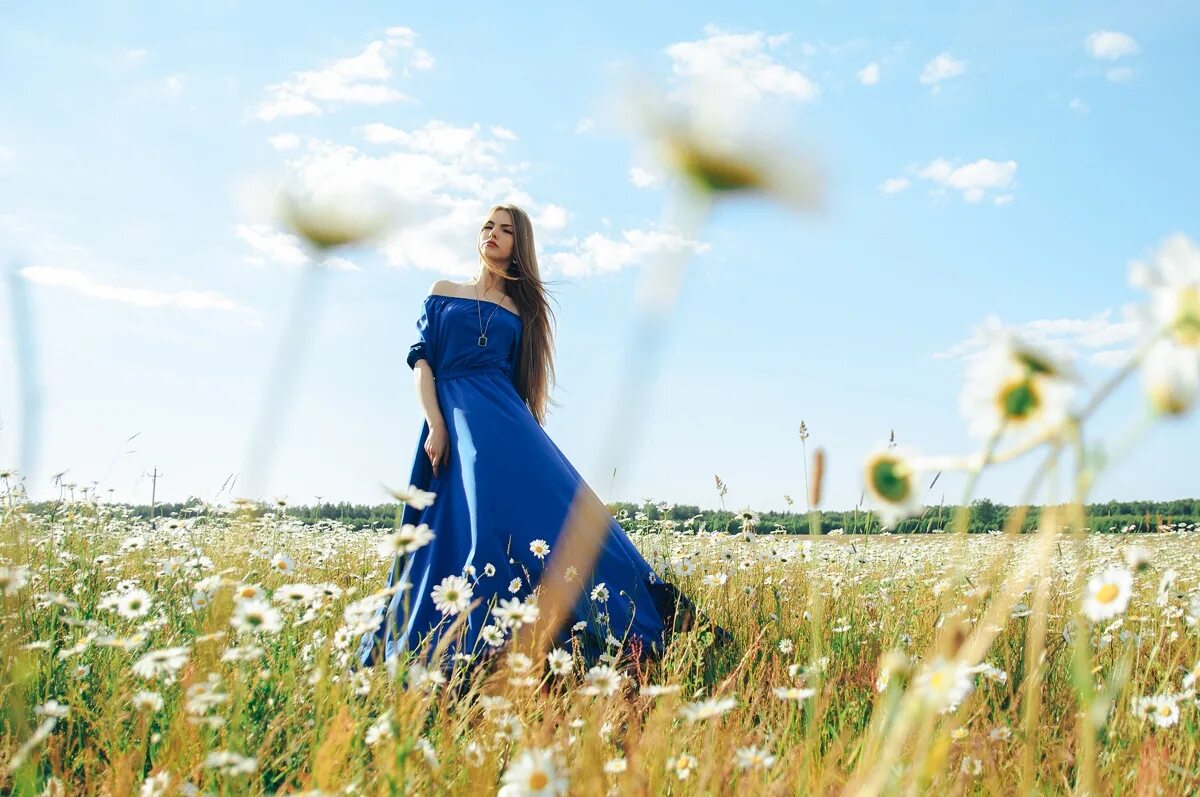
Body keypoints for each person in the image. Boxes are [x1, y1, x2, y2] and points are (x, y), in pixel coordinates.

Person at [356, 204, 727, 674]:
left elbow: (518, 384)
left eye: (506, 230)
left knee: (560, 517)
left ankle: (585, 634)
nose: (492, 233)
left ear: (519, 246)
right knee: (452, 529)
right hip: (451, 423)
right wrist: (436, 422)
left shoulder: (521, 311)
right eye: (488, 225)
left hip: (505, 428)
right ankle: (452, 649)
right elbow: (422, 363)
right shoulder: (442, 292)